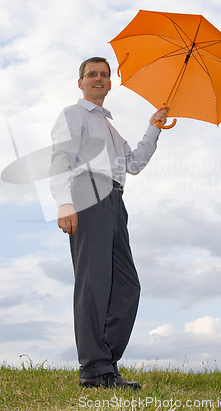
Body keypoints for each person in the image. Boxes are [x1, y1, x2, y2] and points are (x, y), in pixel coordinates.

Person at [50, 57, 168, 389]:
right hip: (88, 193)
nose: (98, 78)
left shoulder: (111, 127)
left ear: (110, 83)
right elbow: (60, 157)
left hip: (116, 201)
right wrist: (63, 201)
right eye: (92, 74)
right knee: (93, 283)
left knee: (127, 287)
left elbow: (134, 164)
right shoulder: (73, 115)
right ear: (81, 82)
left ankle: (105, 363)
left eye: (104, 74)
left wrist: (154, 126)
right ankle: (94, 370)